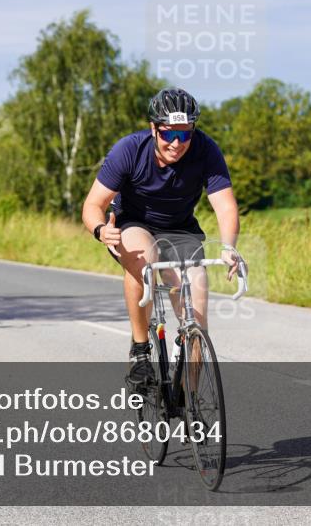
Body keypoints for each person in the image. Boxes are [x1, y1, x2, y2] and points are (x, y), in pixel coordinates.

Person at [81, 88, 240, 390]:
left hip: (181, 229)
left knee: (197, 302)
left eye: (185, 134)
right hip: (133, 224)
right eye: (169, 135)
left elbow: (225, 205)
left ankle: (189, 397)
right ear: (154, 128)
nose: (177, 144)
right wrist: (101, 230)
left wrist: (229, 247)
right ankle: (141, 351)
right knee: (143, 259)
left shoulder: (206, 149)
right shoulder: (129, 150)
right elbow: (92, 204)